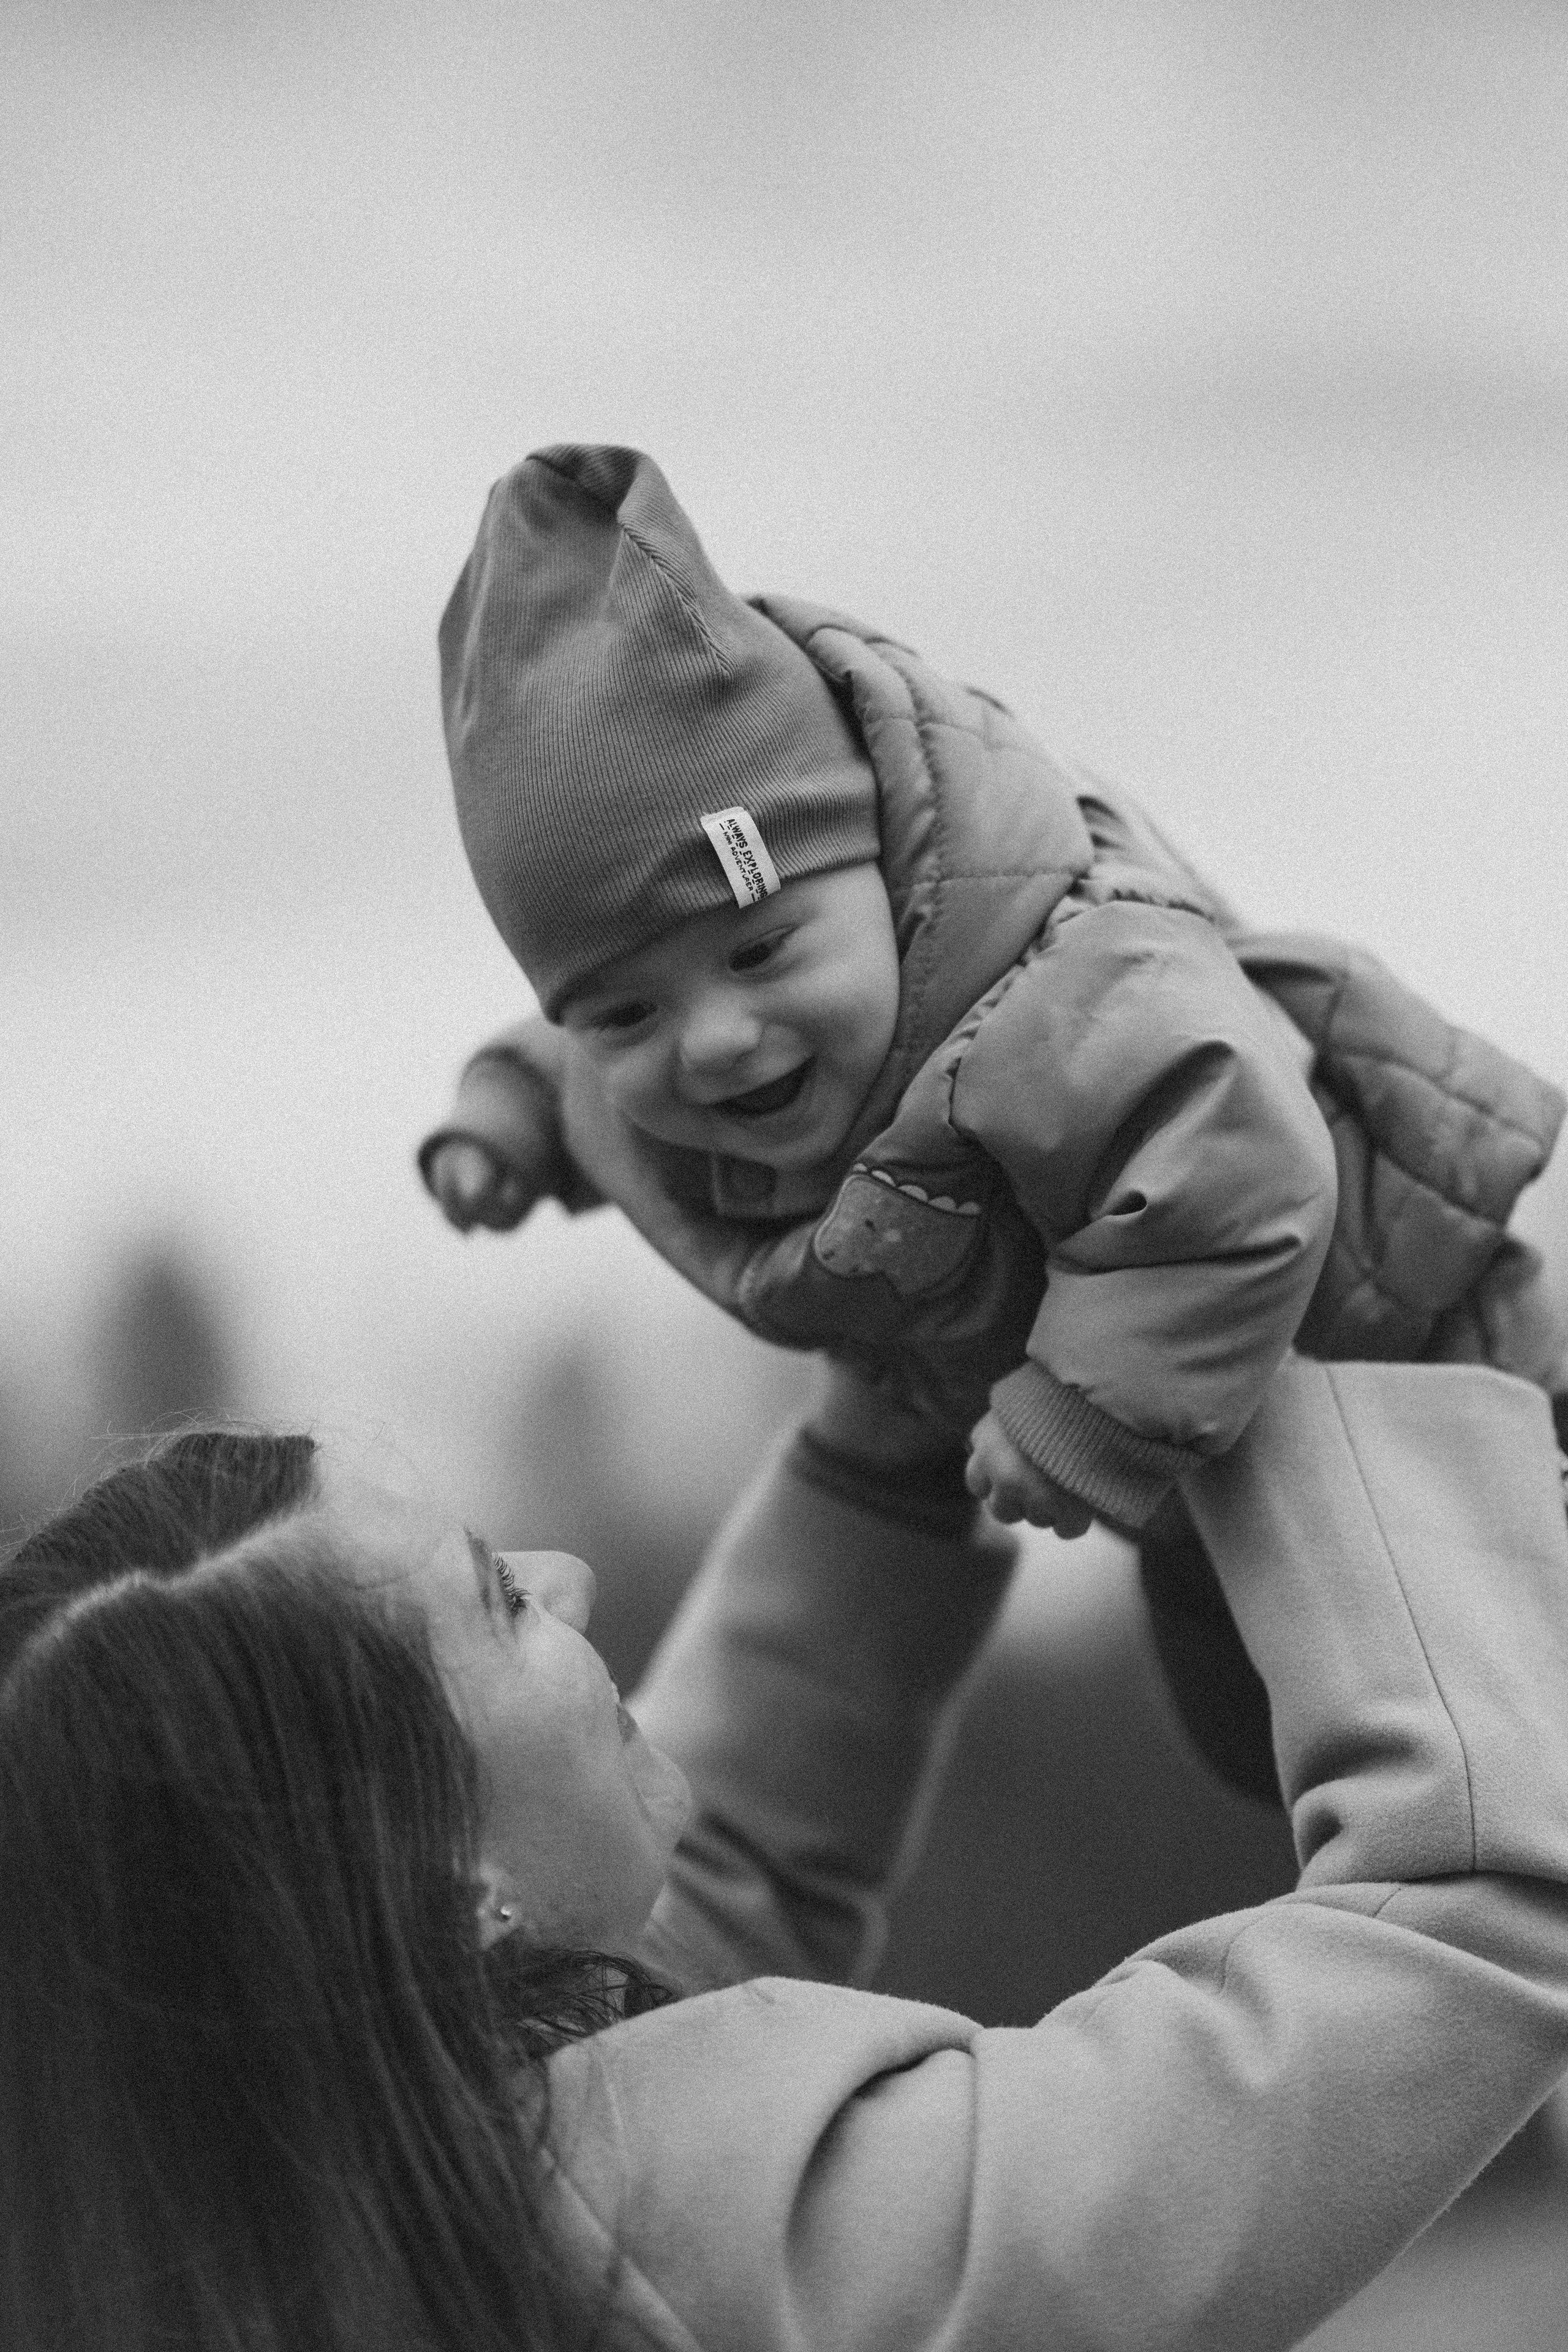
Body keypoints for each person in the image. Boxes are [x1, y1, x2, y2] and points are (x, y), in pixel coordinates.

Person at [5, 1353, 1568, 2350]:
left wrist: (899, 1419)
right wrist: (1311, 1349)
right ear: (432, 1879)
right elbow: (1466, 1909)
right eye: (494, 1599)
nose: (572, 1574)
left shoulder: (266, 2218)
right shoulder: (681, 2244)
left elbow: (679, 1937)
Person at [420, 443, 1567, 1548]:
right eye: (627, 1012)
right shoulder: (697, 1029)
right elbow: (573, 1058)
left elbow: (1246, 1168)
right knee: (1237, 1715)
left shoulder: (1073, 992)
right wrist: (510, 1114)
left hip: (1407, 1364)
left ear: (881, 872)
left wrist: (1080, 1408)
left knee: (1447, 1691)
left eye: (764, 952)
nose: (714, 1040)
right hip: (1202, 1448)